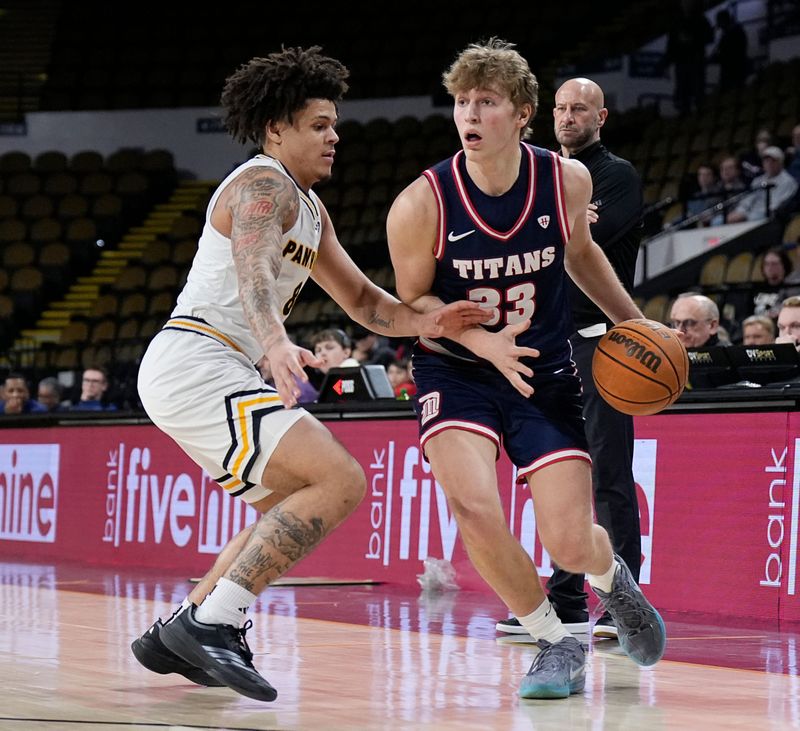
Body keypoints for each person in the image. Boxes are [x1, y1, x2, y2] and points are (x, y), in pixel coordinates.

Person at [131, 46, 488, 703]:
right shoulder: (262, 184)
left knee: (284, 503)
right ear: (276, 130)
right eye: (319, 124)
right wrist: (275, 343)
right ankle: (215, 621)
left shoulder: (311, 210)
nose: (334, 135)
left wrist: (431, 322)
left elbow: (365, 303)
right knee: (340, 479)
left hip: (205, 365)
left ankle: (182, 626)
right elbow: (255, 269)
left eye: (334, 123)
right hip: (200, 358)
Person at [386, 38, 666, 700]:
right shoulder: (420, 203)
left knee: (571, 541)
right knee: (472, 504)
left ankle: (612, 580)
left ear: (522, 113)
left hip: (544, 372)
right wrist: (482, 343)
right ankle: (553, 637)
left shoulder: (566, 179)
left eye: (486, 101)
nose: (469, 114)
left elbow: (581, 252)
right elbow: (415, 303)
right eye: (461, 101)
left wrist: (633, 321)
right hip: (457, 371)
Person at [494, 76, 644, 644]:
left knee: (608, 473)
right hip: (553, 342)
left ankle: (619, 605)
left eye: (579, 109)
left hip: (604, 343)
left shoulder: (615, 176)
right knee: (561, 475)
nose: (566, 117)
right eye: (559, 108)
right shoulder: (542, 178)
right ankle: (565, 603)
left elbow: (573, 240)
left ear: (601, 117)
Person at [663, 0, 714, 115]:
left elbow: (710, 37)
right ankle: (685, 113)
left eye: (688, 1)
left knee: (698, 90)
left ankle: (700, 113)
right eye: (684, 2)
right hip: (681, 62)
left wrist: (693, 39)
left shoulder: (701, 20)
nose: (686, 4)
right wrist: (666, 64)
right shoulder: (676, 22)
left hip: (696, 60)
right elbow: (671, 44)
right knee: (682, 91)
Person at [727, 146, 799, 223]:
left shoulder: (788, 181)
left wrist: (746, 216)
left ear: (780, 162)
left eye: (773, 161)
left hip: (769, 219)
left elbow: (776, 207)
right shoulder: (757, 181)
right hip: (750, 215)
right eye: (766, 160)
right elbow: (747, 201)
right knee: (719, 220)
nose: (769, 163)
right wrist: (740, 212)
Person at [709, 9, 748, 94]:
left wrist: (714, 58)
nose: (718, 24)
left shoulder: (732, 32)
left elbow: (729, 54)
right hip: (733, 69)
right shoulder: (733, 31)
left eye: (718, 21)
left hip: (733, 70)